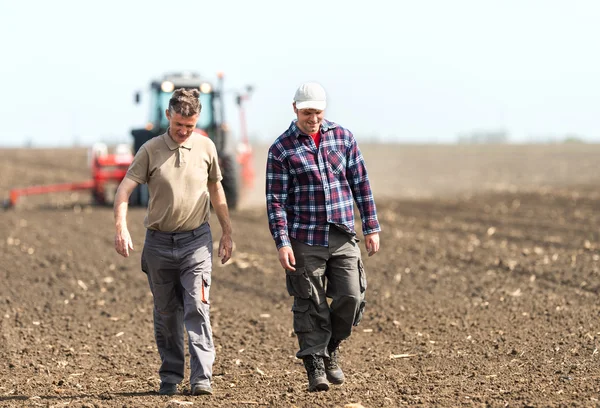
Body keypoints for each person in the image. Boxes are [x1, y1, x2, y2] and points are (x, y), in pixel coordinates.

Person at [113, 88, 233, 396]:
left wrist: (227, 233)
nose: (183, 132)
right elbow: (124, 191)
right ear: (169, 115)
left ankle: (201, 378)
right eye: (179, 125)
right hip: (159, 244)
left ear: (197, 121)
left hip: (197, 242)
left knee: (198, 306)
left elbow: (217, 192)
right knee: (166, 314)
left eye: (189, 127)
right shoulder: (150, 149)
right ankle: (170, 375)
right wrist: (121, 228)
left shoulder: (206, 147)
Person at [266, 82, 381, 392]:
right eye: (306, 112)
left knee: (351, 296)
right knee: (310, 301)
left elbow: (361, 184)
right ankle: (315, 363)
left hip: (342, 233)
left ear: (324, 109)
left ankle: (331, 345)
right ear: (294, 109)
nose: (312, 118)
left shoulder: (343, 138)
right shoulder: (281, 149)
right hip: (304, 236)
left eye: (317, 112)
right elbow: (275, 202)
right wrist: (283, 242)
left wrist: (371, 226)